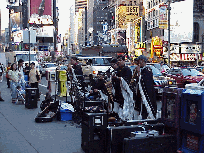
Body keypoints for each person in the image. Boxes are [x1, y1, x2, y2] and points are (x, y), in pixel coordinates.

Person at [135, 55, 157, 119]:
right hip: (141, 95)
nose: (138, 63)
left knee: (148, 108)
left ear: (142, 61)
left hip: (148, 94)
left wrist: (139, 73)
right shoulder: (143, 70)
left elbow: (144, 81)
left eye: (139, 61)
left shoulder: (147, 70)